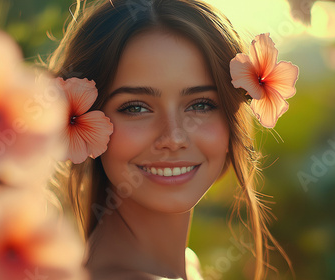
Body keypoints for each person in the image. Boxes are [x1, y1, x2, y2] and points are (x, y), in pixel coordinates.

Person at [48, 0, 295, 279]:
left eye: (201, 104)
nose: (173, 137)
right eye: (136, 108)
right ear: (78, 120)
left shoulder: (188, 265)